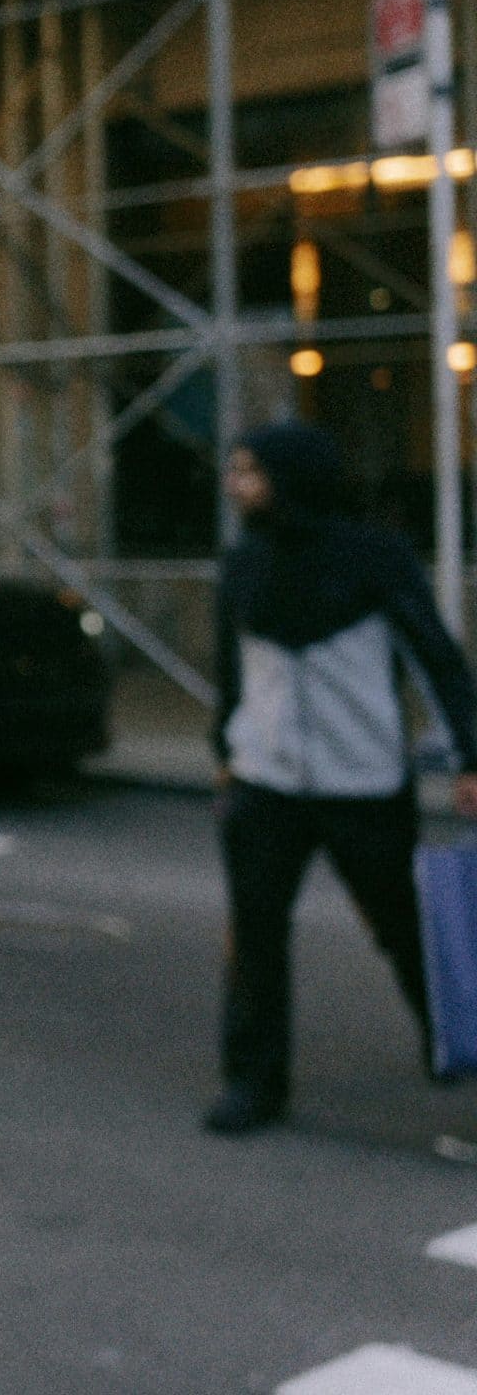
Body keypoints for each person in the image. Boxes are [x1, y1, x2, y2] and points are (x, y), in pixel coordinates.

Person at [207, 420, 477, 1136]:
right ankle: (254, 1083)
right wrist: (225, 755)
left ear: (291, 480)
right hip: (266, 781)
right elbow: (232, 670)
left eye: (250, 473)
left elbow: (435, 655)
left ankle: (456, 1044)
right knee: (256, 937)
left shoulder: (373, 558)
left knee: (406, 927)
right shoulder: (243, 563)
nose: (237, 486)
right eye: (235, 471)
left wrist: (472, 755)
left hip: (362, 782)